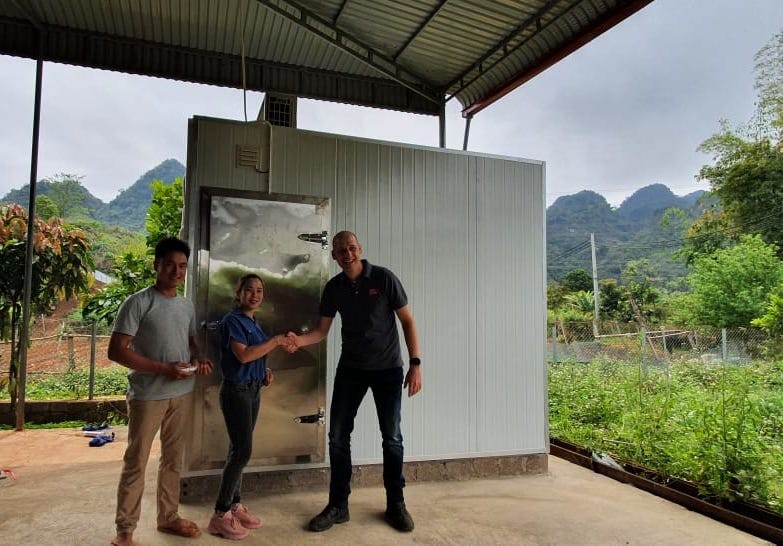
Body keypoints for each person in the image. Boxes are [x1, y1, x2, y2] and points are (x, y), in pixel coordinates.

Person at [287, 230, 423, 533]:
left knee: (392, 438)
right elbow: (321, 331)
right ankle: (338, 506)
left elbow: (408, 321)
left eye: (351, 248)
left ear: (359, 248)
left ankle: (396, 504)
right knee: (337, 436)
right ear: (334, 256)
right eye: (340, 250)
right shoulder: (334, 288)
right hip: (351, 369)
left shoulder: (384, 279)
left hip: (388, 369)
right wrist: (299, 341)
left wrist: (415, 364)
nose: (347, 254)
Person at [108, 237, 213, 546]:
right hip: (147, 395)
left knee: (172, 460)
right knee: (136, 461)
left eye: (182, 266)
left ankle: (168, 518)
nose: (176, 271)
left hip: (182, 392)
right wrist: (163, 369)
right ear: (156, 265)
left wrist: (199, 358)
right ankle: (124, 531)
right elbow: (117, 350)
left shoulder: (186, 304)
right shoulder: (138, 302)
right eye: (170, 265)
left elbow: (191, 341)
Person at [207, 273, 293, 540]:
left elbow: (254, 355)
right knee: (242, 452)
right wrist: (277, 341)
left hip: (253, 389)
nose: (255, 295)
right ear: (239, 293)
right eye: (249, 290)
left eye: (259, 291)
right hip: (237, 392)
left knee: (238, 450)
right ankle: (220, 515)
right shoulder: (233, 320)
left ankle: (234, 505)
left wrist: (263, 370)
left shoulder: (253, 322)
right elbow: (243, 355)